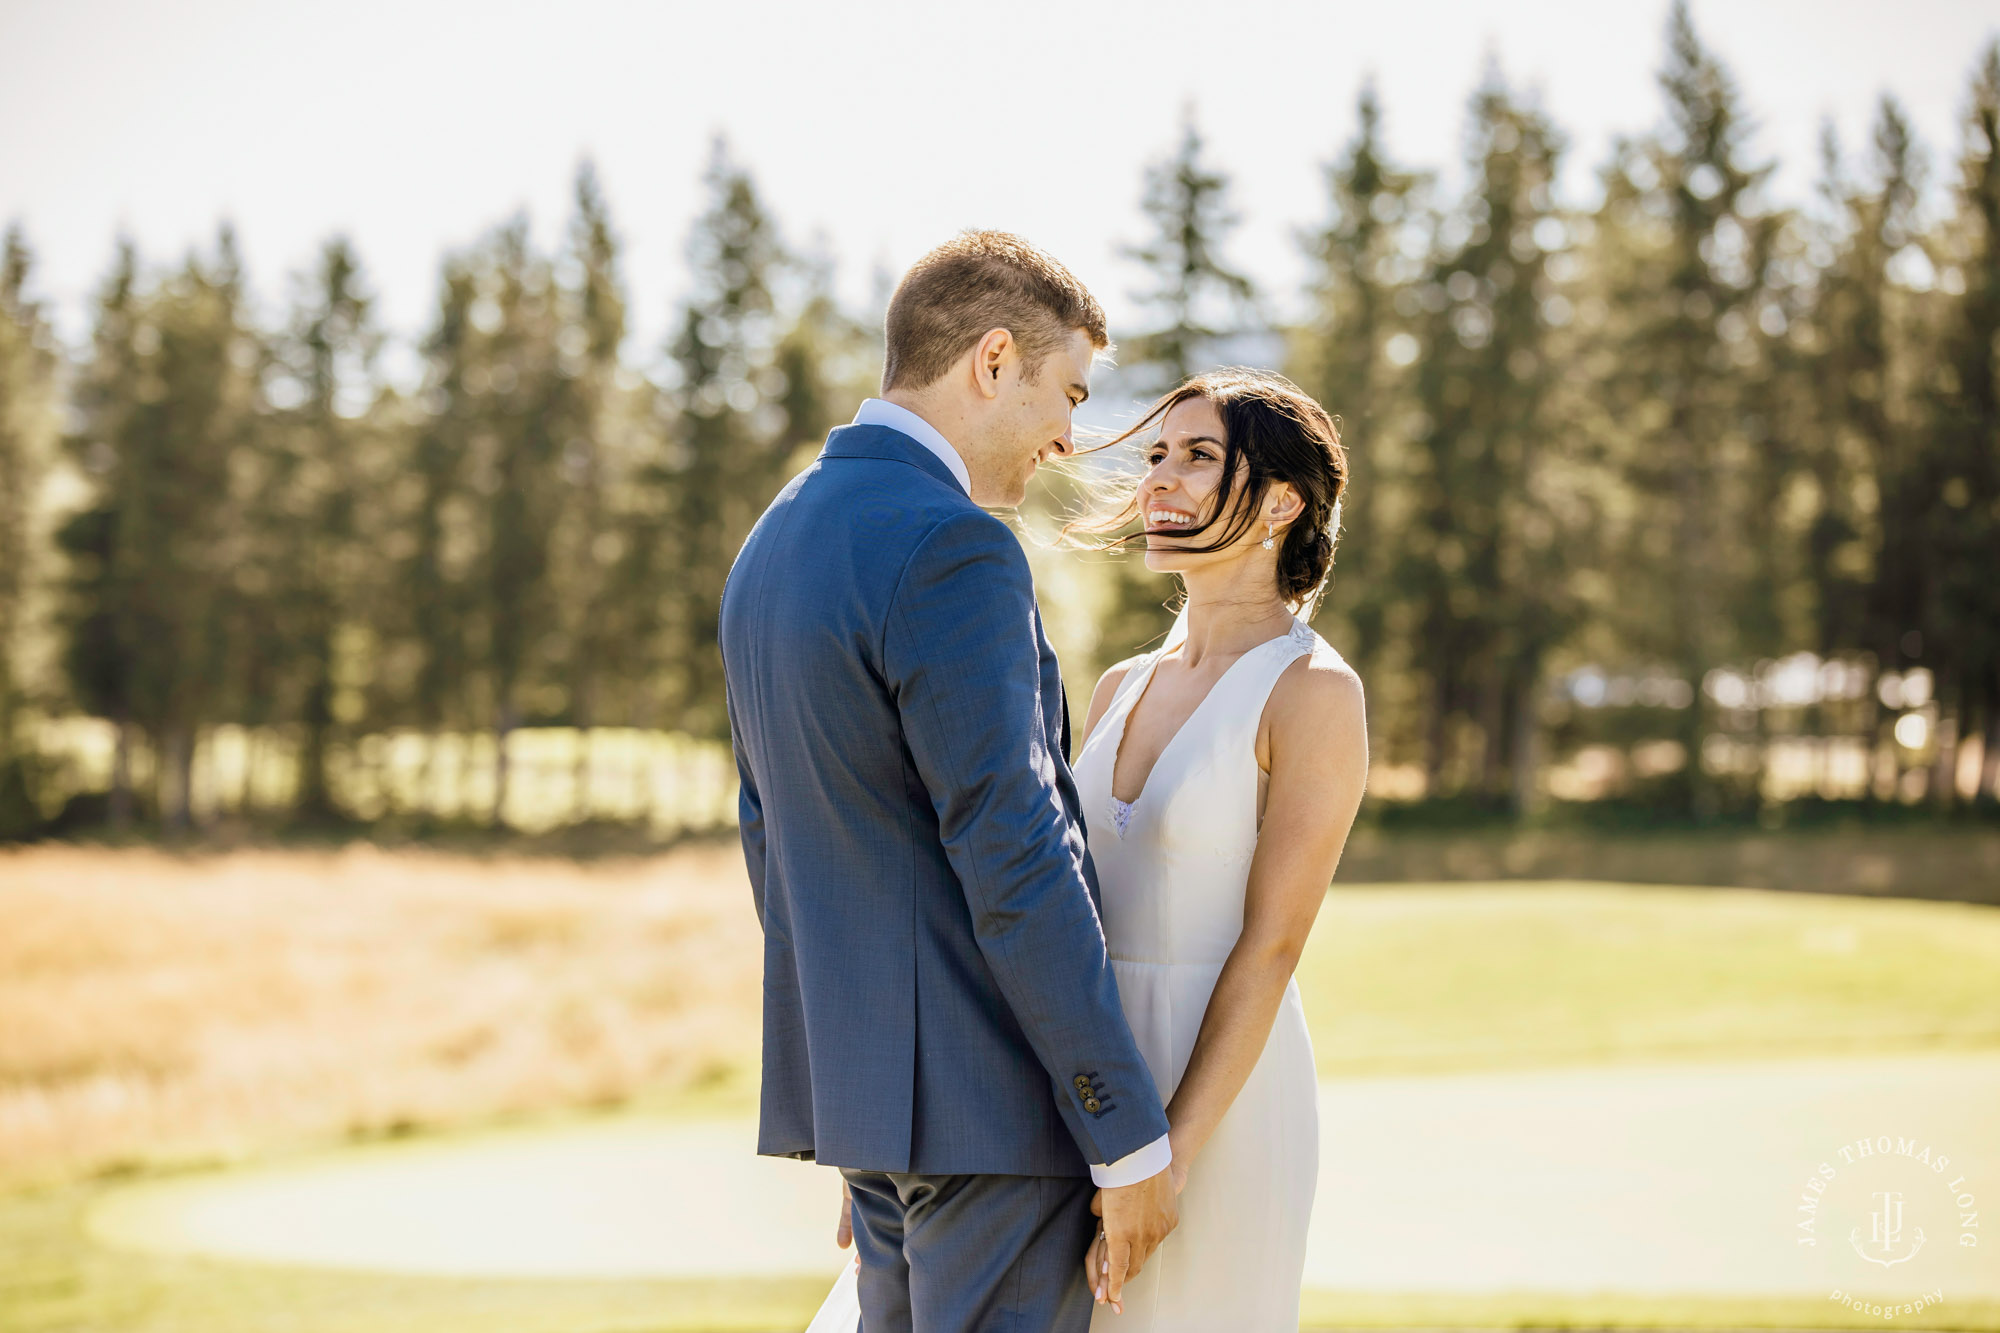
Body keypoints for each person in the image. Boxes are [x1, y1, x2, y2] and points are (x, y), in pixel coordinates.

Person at [719, 230, 1180, 1333]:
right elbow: (1015, 852)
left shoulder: (775, 539)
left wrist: (860, 1104)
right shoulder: (953, 547)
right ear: (989, 361)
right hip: (992, 1121)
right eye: (1065, 391)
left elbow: (768, 838)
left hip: (877, 1112)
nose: (1070, 437)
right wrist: (1122, 1130)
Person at [1067, 368, 1368, 1329]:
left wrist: (1170, 1156)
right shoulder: (1117, 687)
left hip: (1220, 1105)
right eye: (1156, 454)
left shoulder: (1314, 692)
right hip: (1085, 1086)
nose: (1159, 478)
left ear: (1283, 500)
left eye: (1199, 456)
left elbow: (1273, 945)